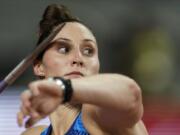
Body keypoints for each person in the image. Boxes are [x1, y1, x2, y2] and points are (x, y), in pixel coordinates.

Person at [17, 4, 148, 135]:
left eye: (88, 51)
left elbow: (131, 94)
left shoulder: (96, 116)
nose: (78, 59)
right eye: (64, 49)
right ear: (39, 67)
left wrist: (64, 88)